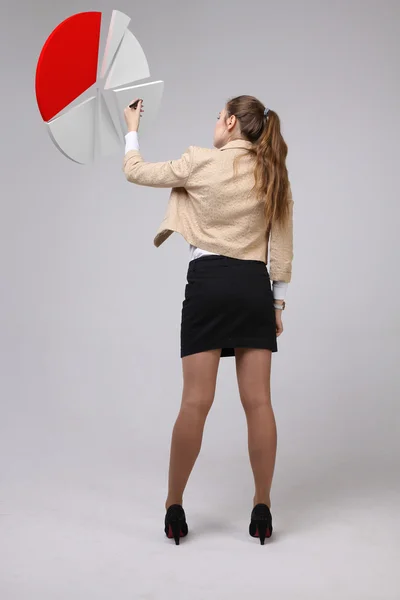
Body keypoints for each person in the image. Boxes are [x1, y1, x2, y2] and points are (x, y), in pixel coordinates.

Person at [122, 95, 294, 545]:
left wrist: (132, 127)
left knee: (195, 403)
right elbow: (283, 244)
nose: (215, 124)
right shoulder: (272, 172)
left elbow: (136, 171)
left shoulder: (199, 162)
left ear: (232, 122)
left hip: (208, 284)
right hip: (253, 287)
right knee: (258, 403)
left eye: (218, 117)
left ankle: (173, 506)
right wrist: (276, 305)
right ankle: (262, 508)